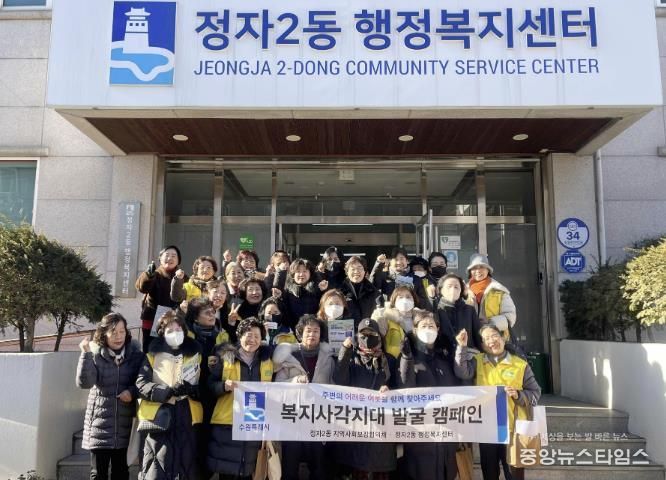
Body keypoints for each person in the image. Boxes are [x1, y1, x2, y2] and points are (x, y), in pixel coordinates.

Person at [454, 324, 541, 480]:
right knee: (489, 473)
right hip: (487, 429)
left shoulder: (520, 364)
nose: (492, 341)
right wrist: (462, 347)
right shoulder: (477, 361)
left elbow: (535, 393)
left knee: (514, 475)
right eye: (486, 338)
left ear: (503, 337)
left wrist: (518, 395)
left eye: (494, 336)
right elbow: (462, 373)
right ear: (482, 345)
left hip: (513, 430)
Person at [136, 311, 203, 480]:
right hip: (159, 417)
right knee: (158, 462)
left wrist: (191, 389)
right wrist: (166, 391)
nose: (175, 333)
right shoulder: (151, 356)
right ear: (162, 333)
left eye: (178, 329)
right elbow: (141, 384)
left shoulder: (196, 356)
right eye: (170, 330)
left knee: (186, 463)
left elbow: (205, 385)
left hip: (187, 415)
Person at [76, 313, 144, 480]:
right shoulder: (95, 354)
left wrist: (132, 392)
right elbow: (85, 383)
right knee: (98, 474)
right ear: (103, 334)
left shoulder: (136, 355)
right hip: (99, 424)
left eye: (122, 331)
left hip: (125, 425)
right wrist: (85, 354)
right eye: (113, 332)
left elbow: (143, 383)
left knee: (121, 473)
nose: (118, 336)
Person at [207, 318, 274, 478]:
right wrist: (224, 386)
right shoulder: (225, 356)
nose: (253, 340)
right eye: (249, 335)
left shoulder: (267, 360)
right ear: (240, 336)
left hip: (254, 422)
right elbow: (209, 385)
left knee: (248, 470)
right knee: (228, 472)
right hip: (227, 423)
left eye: (257, 336)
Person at [397, 310, 459, 480]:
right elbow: (405, 388)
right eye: (423, 326)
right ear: (415, 330)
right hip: (421, 433)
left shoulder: (445, 356)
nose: (428, 329)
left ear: (438, 329)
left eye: (431, 325)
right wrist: (406, 358)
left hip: (446, 432)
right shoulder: (407, 356)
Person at [273, 315, 335, 480]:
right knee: (290, 468)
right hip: (293, 419)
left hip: (318, 419)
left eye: (316, 331)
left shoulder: (328, 357)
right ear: (300, 333)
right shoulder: (288, 356)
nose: (312, 334)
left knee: (319, 468)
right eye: (308, 331)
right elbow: (276, 387)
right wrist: (293, 382)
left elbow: (334, 387)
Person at [333, 318, 397, 479]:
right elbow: (339, 381)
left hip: (381, 427)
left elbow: (401, 387)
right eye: (363, 334)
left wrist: (390, 391)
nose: (367, 338)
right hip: (356, 425)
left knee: (380, 471)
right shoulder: (352, 358)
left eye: (372, 334)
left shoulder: (389, 360)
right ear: (357, 336)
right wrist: (345, 351)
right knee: (357, 470)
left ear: (379, 336)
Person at [135, 245, 183, 352]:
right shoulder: (154, 274)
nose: (170, 258)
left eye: (173, 256)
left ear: (178, 260)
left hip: (175, 322)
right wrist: (148, 275)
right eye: (167, 255)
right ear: (160, 258)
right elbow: (142, 288)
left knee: (173, 351)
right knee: (151, 350)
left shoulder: (183, 277)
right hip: (152, 320)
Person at [466, 253, 517, 341]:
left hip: (494, 339)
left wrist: (490, 324)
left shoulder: (499, 290)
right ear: (470, 271)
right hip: (470, 340)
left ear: (488, 270)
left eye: (482, 267)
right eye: (474, 268)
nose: (478, 271)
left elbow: (510, 316)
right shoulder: (463, 291)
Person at [435, 273, 483, 355]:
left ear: (461, 290)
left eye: (456, 287)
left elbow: (478, 336)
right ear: (441, 290)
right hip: (442, 358)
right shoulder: (436, 310)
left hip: (467, 356)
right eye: (449, 286)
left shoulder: (469, 310)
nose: (453, 290)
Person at [281, 258, 329, 331]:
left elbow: (324, 308)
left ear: (310, 273)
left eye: (305, 271)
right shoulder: (286, 291)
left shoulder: (317, 289)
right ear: (293, 274)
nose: (301, 274)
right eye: (298, 271)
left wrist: (323, 291)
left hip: (312, 330)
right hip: (291, 331)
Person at [339, 255, 381, 327]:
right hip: (345, 330)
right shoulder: (340, 291)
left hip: (367, 330)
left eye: (360, 268)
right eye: (353, 269)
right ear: (347, 272)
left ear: (364, 271)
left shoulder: (373, 291)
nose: (356, 271)